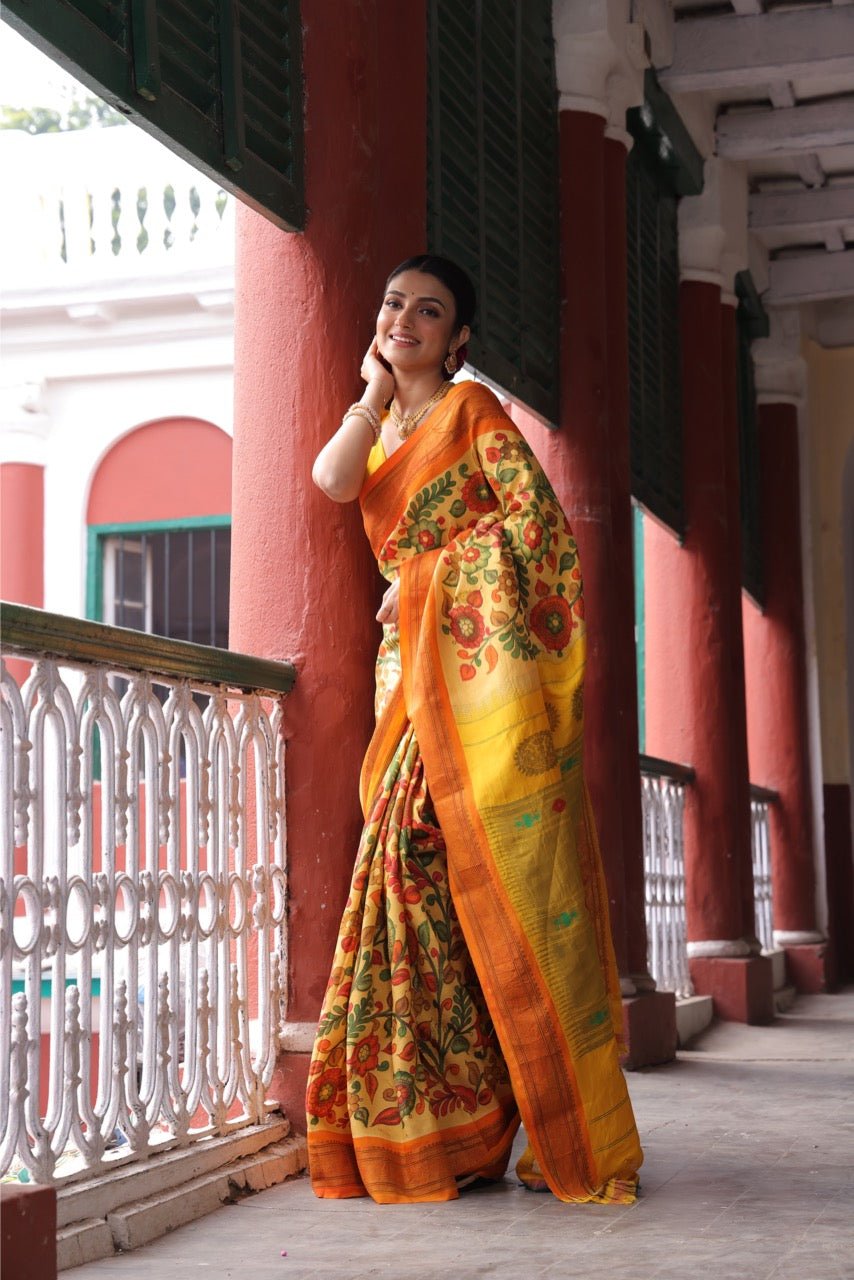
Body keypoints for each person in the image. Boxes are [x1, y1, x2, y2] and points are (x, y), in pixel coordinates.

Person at [307, 254, 642, 1205]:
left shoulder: (474, 414)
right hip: (404, 682)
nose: (403, 319)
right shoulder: (377, 427)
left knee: (470, 880)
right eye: (391, 304)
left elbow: (540, 533)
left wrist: (424, 584)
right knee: (414, 883)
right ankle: (446, 1122)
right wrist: (371, 394)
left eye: (429, 312)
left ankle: (504, 1112)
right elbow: (334, 482)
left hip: (474, 678)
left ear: (460, 341)